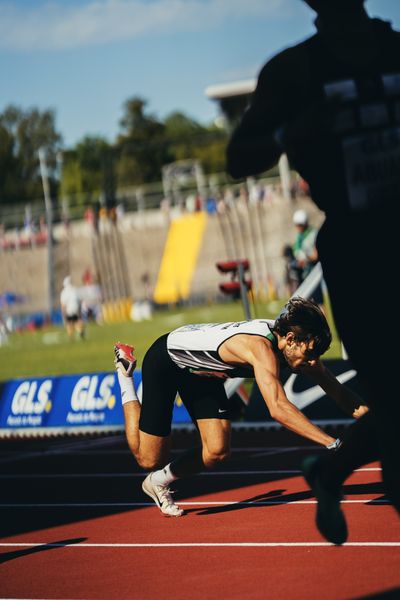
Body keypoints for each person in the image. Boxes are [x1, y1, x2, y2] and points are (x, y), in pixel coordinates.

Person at [226, 0, 400, 538]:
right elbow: (238, 157)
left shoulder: (395, 48)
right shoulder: (295, 70)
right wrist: (290, 133)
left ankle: (330, 470)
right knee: (391, 398)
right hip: (358, 252)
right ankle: (333, 469)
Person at [114, 297, 367, 517]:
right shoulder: (260, 348)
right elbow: (278, 407)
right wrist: (332, 444)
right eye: (310, 353)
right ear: (290, 339)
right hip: (168, 361)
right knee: (149, 458)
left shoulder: (295, 346)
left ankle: (157, 482)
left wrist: (377, 421)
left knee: (217, 451)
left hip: (204, 373)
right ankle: (125, 375)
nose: (313, 362)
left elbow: (338, 391)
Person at [291, 209, 324, 310]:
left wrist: (305, 258)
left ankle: (323, 325)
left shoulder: (313, 234)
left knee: (319, 303)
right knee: (306, 305)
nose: (297, 227)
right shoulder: (299, 237)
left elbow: (315, 255)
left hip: (313, 274)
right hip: (303, 274)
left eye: (299, 225)